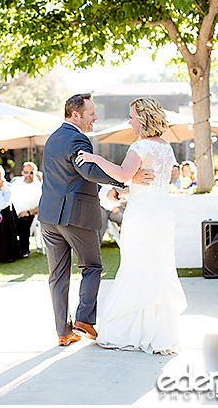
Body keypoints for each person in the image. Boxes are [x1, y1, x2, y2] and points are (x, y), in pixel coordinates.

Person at [38, 93, 153, 346]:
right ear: (76, 115)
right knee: (92, 266)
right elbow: (87, 169)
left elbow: (70, 178)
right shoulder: (77, 138)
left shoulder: (54, 138)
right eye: (92, 113)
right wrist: (128, 177)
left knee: (57, 275)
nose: (96, 117)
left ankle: (63, 332)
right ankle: (85, 321)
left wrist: (106, 189)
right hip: (76, 216)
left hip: (48, 217)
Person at [75, 97, 187, 354]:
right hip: (161, 214)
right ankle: (158, 332)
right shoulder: (166, 148)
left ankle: (130, 331)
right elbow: (150, 184)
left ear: (143, 119)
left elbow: (124, 174)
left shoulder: (139, 147)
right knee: (157, 266)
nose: (129, 121)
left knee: (136, 265)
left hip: (142, 217)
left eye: (132, 116)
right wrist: (123, 194)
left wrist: (96, 159)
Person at [10, 162, 42, 258]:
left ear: (35, 173)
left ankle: (24, 251)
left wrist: (28, 212)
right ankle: (5, 250)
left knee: (22, 221)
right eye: (26, 172)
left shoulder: (39, 186)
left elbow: (42, 206)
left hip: (30, 213)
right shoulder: (16, 183)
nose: (28, 175)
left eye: (31, 172)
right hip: (13, 212)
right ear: (22, 172)